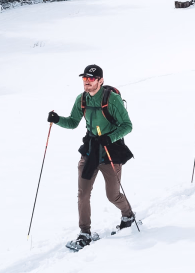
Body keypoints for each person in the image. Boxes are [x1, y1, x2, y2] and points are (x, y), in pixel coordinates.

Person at [47, 65, 135, 250]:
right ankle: (84, 233)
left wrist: (110, 138)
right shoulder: (82, 99)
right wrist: (57, 119)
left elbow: (127, 125)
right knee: (83, 194)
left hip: (111, 150)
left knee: (113, 195)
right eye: (85, 79)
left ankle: (128, 215)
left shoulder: (112, 99)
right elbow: (72, 122)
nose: (87, 82)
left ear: (100, 81)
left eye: (91, 79)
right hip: (90, 150)